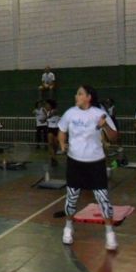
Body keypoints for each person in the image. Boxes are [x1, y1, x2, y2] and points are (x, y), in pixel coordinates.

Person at [58, 85, 118, 251]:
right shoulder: (70, 113)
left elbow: (114, 137)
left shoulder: (99, 114)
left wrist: (105, 126)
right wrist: (62, 144)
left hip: (95, 163)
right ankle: (68, 227)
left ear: (88, 97)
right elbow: (61, 130)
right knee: (71, 198)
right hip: (75, 163)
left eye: (80, 94)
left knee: (103, 199)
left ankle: (110, 233)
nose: (76, 96)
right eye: (77, 93)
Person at [46, 99, 60, 167]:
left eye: (47, 104)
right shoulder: (47, 112)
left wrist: (45, 118)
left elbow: (52, 114)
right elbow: (48, 121)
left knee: (55, 145)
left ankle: (53, 156)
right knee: (50, 143)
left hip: (56, 129)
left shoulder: (55, 110)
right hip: (50, 129)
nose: (46, 106)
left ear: (51, 105)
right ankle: (54, 158)